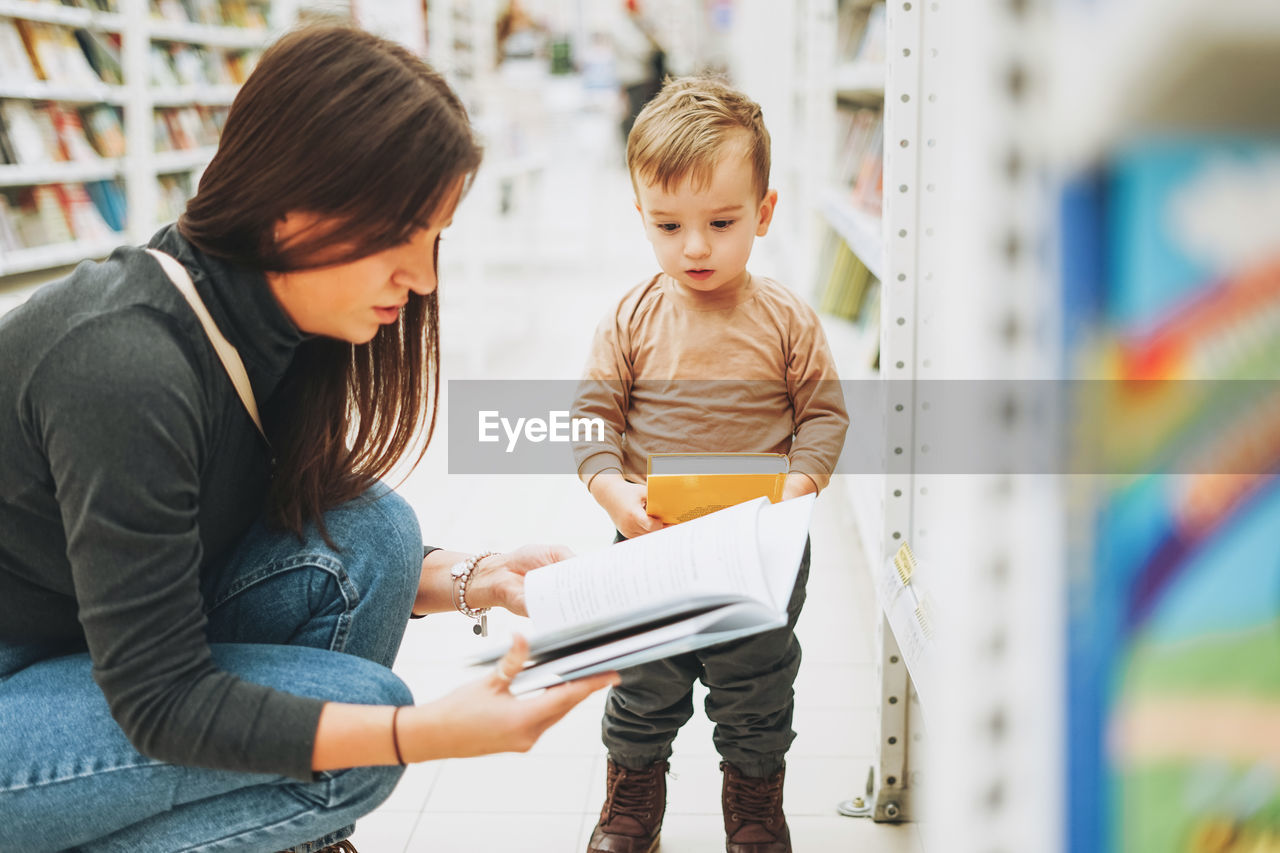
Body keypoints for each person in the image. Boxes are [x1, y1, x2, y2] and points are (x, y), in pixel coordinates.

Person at [0, 25, 615, 853]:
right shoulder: (125, 364)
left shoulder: (267, 326)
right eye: (402, 233)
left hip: (75, 649)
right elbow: (159, 700)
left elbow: (265, 543)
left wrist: (478, 578)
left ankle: (294, 837)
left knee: (377, 534)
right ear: (289, 205)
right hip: (27, 693)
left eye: (435, 236)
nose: (424, 276)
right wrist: (427, 734)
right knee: (365, 728)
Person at [572, 75, 849, 853]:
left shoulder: (787, 320)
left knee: (757, 686)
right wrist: (611, 491)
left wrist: (797, 488)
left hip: (761, 546)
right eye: (668, 224)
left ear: (763, 213)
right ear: (641, 217)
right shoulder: (630, 318)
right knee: (641, 681)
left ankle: (755, 808)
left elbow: (824, 416)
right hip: (652, 538)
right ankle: (631, 804)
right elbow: (594, 419)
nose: (695, 246)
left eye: (721, 222)